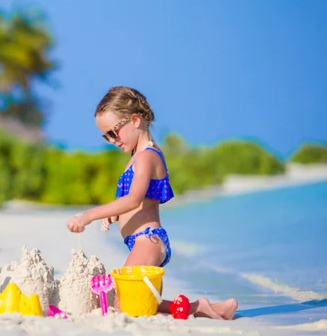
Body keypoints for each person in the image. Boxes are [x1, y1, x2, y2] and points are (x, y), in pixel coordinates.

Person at [66, 86, 238, 320]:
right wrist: (113, 214)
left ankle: (198, 307)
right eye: (105, 136)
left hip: (148, 239)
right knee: (128, 299)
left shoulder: (148, 156)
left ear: (135, 120)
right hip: (140, 241)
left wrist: (89, 215)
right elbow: (137, 202)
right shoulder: (136, 156)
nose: (111, 140)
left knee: (127, 303)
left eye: (113, 132)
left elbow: (134, 199)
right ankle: (211, 308)